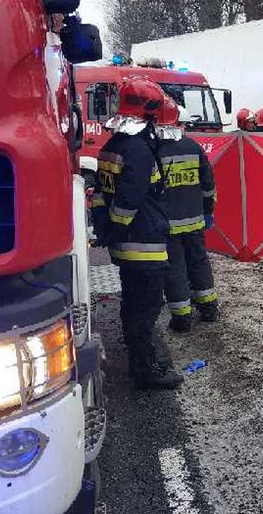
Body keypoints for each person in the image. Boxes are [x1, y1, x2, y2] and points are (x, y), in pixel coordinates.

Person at [91, 77, 183, 390]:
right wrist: (120, 225)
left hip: (126, 246)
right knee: (145, 309)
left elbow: (102, 196)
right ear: (148, 116)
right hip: (145, 245)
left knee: (133, 305)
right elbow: (130, 200)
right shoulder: (139, 151)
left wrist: (109, 230)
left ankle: (140, 362)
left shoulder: (111, 147)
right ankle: (145, 371)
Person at [154, 97, 219, 332]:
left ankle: (182, 317)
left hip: (169, 225)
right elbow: (208, 183)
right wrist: (208, 209)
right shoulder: (193, 147)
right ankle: (209, 307)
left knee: (175, 268)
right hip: (195, 220)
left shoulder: (155, 150)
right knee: (199, 262)